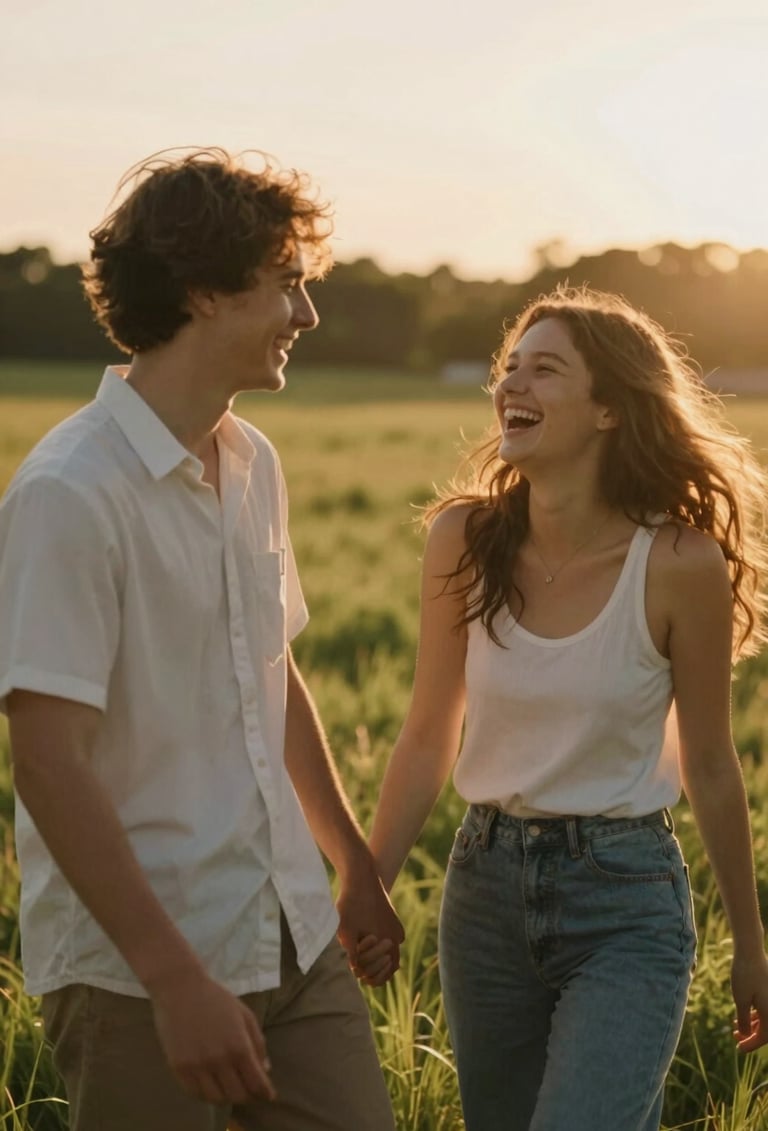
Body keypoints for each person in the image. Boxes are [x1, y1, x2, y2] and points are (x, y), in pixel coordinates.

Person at [0, 147, 402, 1131]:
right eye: (287, 286)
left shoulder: (252, 458)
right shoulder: (67, 494)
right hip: (140, 974)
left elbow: (272, 668)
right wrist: (176, 982)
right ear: (202, 294)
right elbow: (47, 762)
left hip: (292, 934)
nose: (306, 316)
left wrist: (351, 865)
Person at [356, 286, 768, 1130]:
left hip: (625, 899)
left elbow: (714, 765)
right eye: (509, 368)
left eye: (545, 370)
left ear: (611, 408)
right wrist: (369, 884)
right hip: (485, 891)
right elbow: (428, 733)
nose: (513, 385)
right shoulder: (463, 539)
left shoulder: (680, 562)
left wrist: (753, 947)